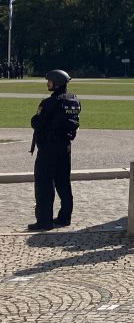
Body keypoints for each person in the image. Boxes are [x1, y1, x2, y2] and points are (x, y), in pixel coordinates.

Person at [27, 70, 81, 231]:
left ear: (56, 83)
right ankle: (65, 217)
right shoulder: (74, 101)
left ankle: (44, 220)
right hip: (65, 147)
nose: (47, 84)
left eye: (49, 81)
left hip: (48, 148)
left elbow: (37, 122)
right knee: (63, 183)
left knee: (44, 184)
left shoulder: (48, 103)